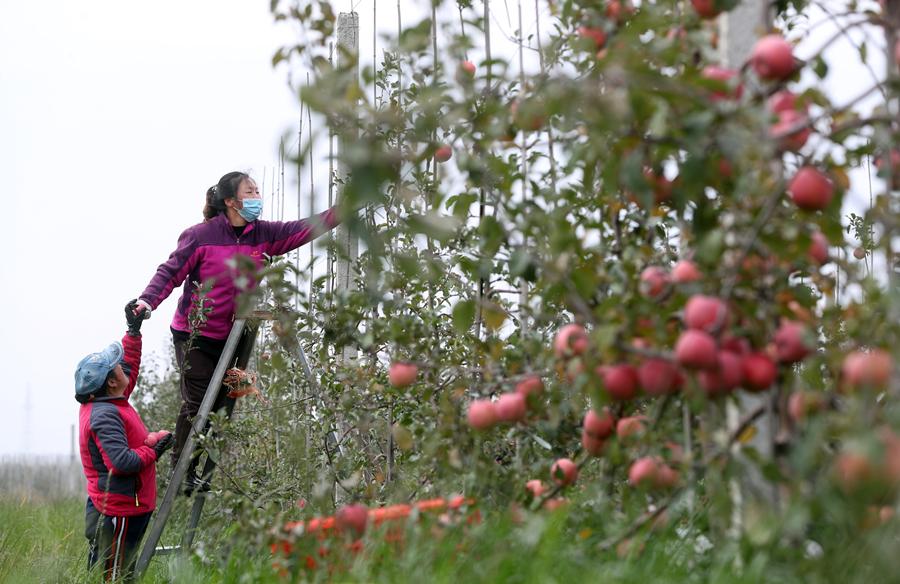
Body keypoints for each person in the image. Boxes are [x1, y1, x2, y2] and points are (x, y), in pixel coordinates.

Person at [132, 171, 339, 493]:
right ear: (230, 201)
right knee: (199, 405)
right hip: (195, 336)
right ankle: (182, 471)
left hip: (236, 337)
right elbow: (170, 272)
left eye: (258, 191)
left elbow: (307, 227)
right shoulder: (200, 236)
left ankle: (200, 468)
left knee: (224, 407)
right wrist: (147, 301)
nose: (257, 197)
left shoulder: (265, 235)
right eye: (250, 191)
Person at [75, 301, 174, 582]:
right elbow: (121, 462)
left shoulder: (110, 399)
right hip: (119, 510)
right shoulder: (104, 416)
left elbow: (128, 364)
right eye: (115, 367)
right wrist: (154, 449)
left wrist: (133, 331)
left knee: (117, 570)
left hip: (125, 506)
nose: (121, 367)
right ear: (110, 382)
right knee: (115, 576)